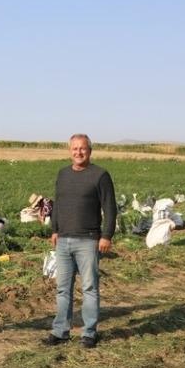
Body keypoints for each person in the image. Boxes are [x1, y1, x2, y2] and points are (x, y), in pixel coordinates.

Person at [43, 134, 116, 349]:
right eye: (74, 149)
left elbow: (110, 208)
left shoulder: (100, 175)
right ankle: (60, 331)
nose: (78, 152)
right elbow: (58, 204)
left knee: (89, 288)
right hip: (63, 240)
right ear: (69, 151)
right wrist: (55, 229)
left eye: (82, 149)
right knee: (63, 289)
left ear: (90, 151)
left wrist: (106, 235)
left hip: (89, 241)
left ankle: (89, 333)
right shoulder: (63, 174)